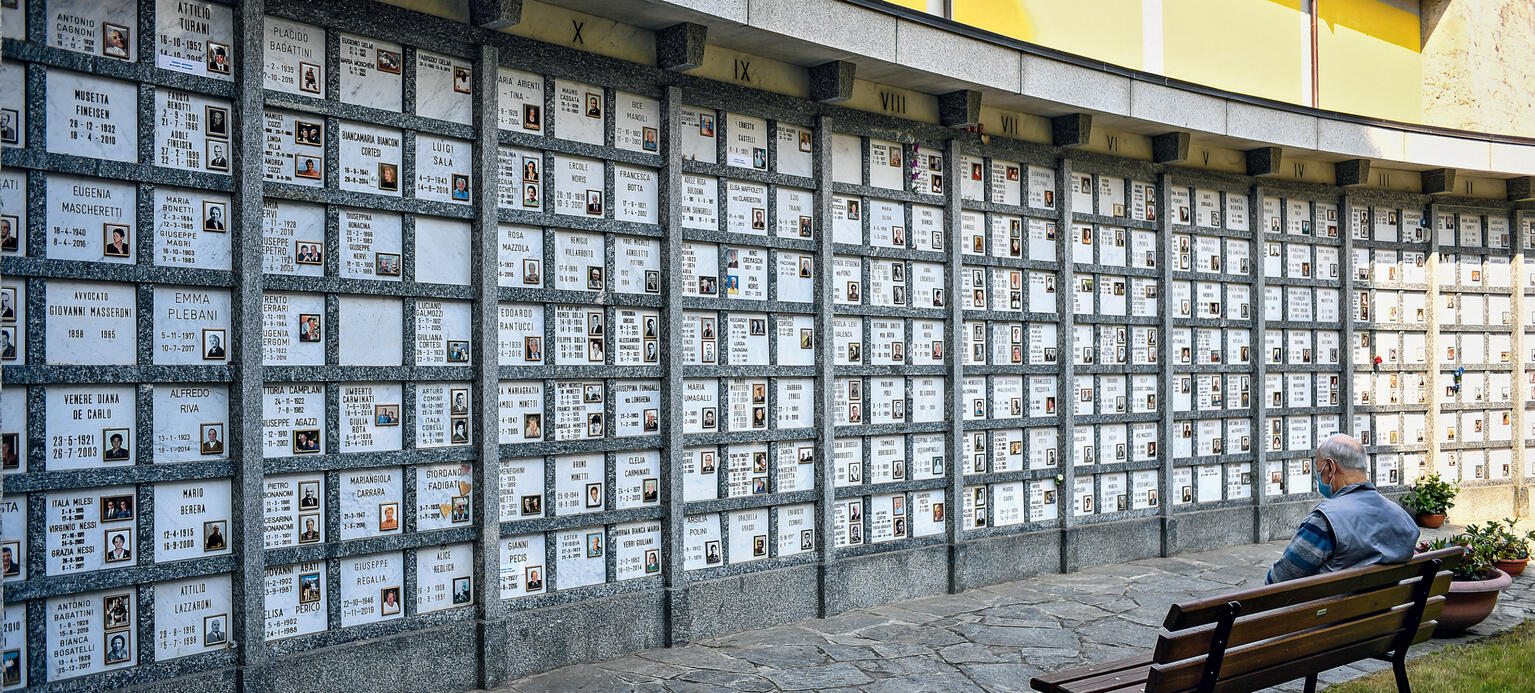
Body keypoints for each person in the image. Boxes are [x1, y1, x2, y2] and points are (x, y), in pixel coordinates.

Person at [1266, 434, 1418, 584]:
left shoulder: (1324, 520)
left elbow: (1278, 580)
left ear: (1331, 468)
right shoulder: (1402, 517)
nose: (1318, 477)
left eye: (1319, 470)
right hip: (1385, 606)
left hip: (1330, 607)